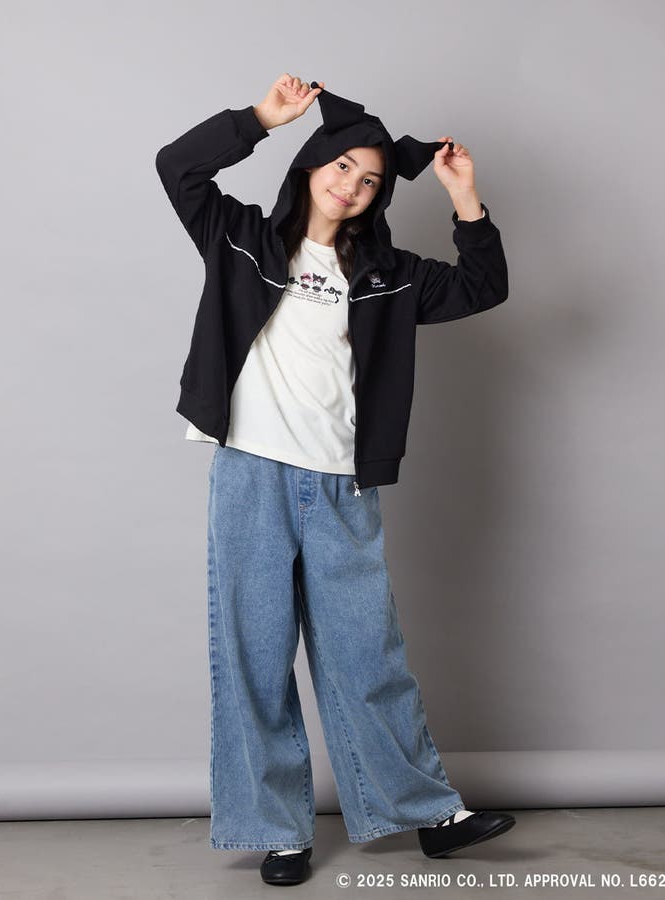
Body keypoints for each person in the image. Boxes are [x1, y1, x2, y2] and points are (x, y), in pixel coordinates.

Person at [155, 73, 514, 887]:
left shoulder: (391, 274)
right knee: (254, 656)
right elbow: (178, 166)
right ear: (313, 163)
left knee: (368, 654)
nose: (352, 185)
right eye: (343, 165)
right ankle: (276, 830)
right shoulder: (239, 237)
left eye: (371, 180)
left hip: (341, 485)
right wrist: (260, 118)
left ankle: (428, 815)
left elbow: (484, 287)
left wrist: (465, 196)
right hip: (251, 472)